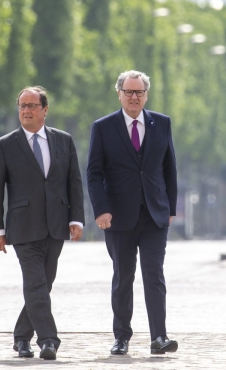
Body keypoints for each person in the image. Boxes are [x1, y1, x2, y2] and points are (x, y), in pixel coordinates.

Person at [0, 86, 84, 360]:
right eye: (22, 106)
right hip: (23, 227)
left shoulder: (64, 141)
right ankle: (48, 340)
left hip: (56, 224)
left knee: (44, 284)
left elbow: (73, 182)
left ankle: (21, 337)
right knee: (35, 284)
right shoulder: (5, 145)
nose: (26, 111)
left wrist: (76, 218)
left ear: (45, 109)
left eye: (31, 105)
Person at [86, 70, 178, 355]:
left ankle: (159, 337)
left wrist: (171, 208)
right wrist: (100, 210)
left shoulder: (161, 123)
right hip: (118, 217)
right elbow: (93, 172)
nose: (134, 97)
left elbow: (169, 169)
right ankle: (122, 337)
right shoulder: (103, 127)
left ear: (146, 94)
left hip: (154, 216)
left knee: (154, 275)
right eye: (129, 92)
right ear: (119, 94)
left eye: (139, 92)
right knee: (123, 277)